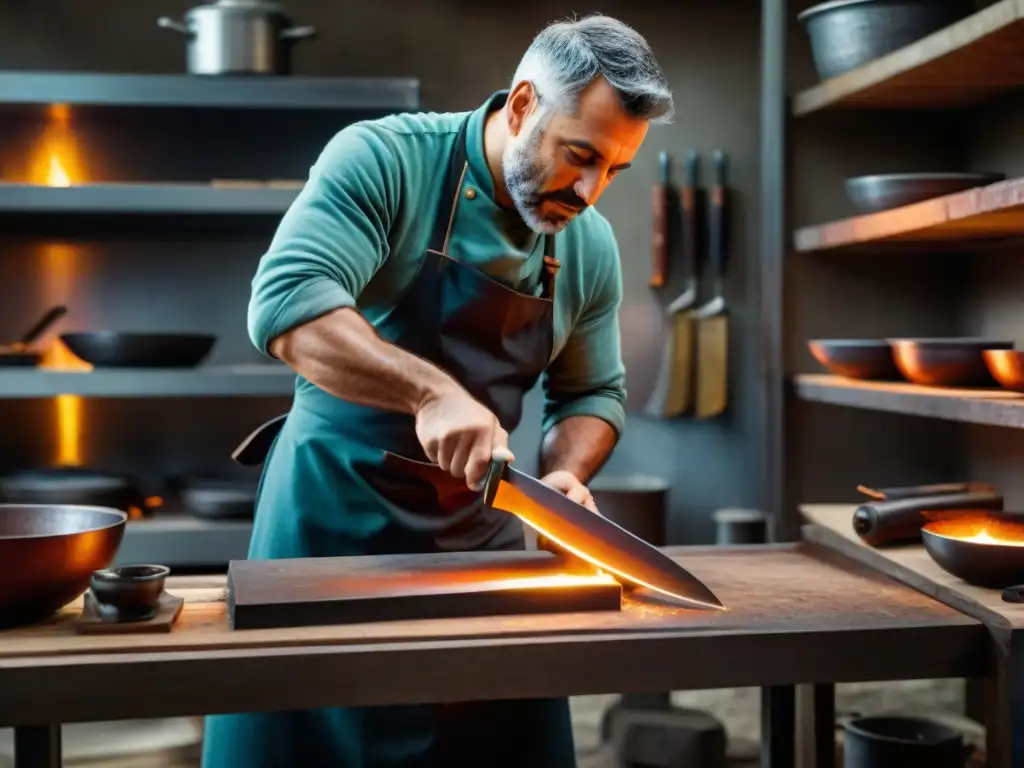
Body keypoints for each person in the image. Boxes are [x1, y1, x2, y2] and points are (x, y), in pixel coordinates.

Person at [201, 13, 673, 768]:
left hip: (479, 549)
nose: (590, 191)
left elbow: (592, 394)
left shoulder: (587, 244)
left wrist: (563, 475)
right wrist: (430, 394)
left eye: (613, 170)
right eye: (578, 155)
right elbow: (287, 303)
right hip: (327, 540)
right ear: (522, 107)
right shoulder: (386, 160)